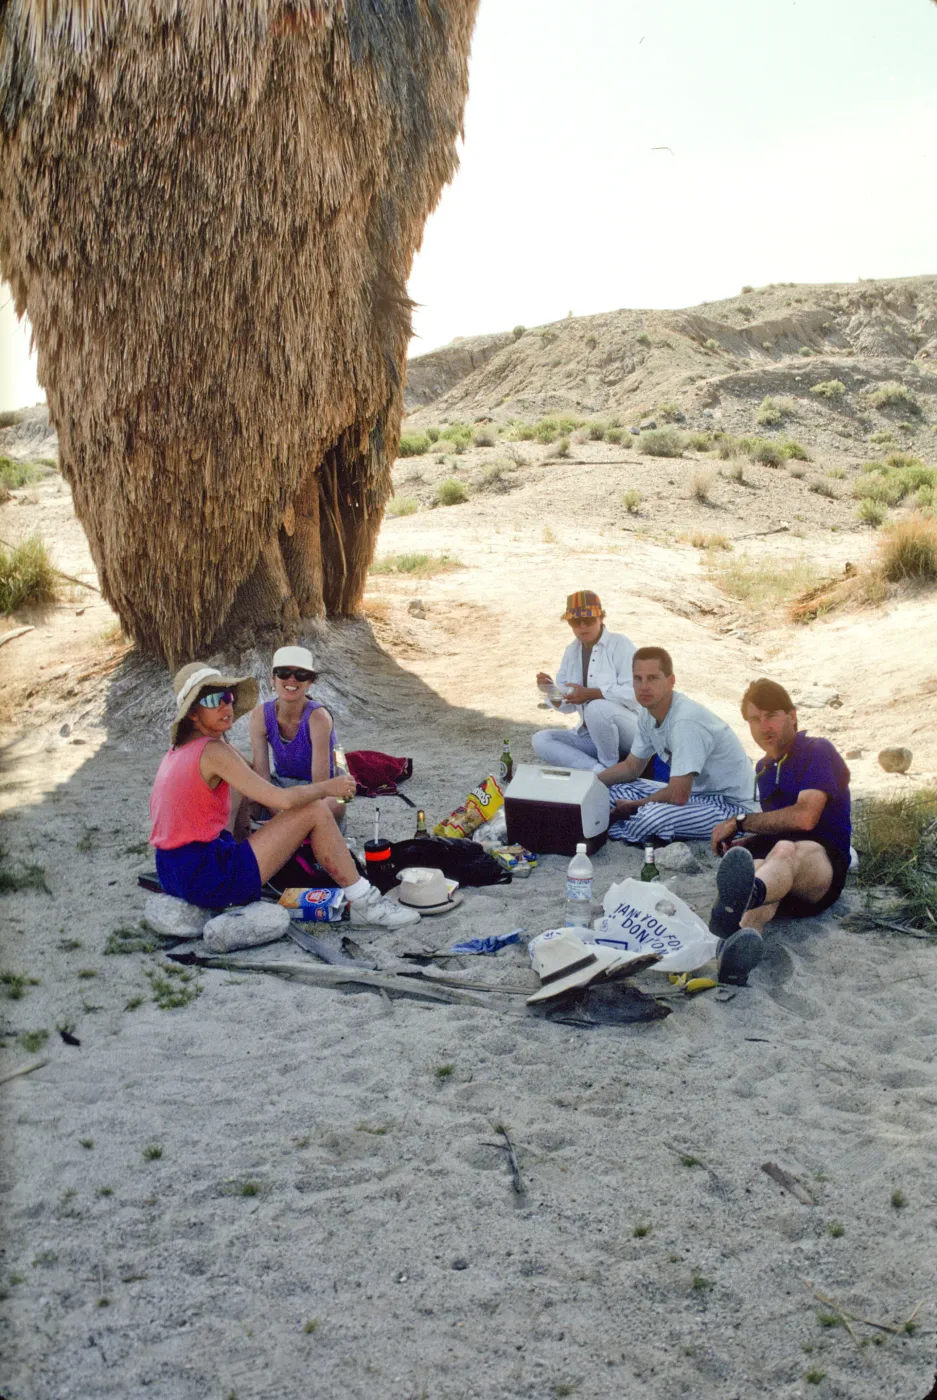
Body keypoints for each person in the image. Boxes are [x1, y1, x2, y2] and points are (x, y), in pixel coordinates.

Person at [149, 663, 419, 928]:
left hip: (172, 871)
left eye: (227, 697)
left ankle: (246, 864)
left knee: (256, 789)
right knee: (313, 810)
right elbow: (283, 800)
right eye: (212, 699)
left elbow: (251, 780)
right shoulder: (213, 752)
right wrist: (328, 788)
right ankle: (366, 902)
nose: (225, 705)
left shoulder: (182, 750)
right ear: (193, 714)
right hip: (207, 874)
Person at [708, 678, 852, 985]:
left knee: (788, 850)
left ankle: (743, 894)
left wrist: (740, 822)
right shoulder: (765, 768)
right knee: (759, 864)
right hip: (778, 881)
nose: (763, 726)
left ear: (793, 715)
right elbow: (778, 826)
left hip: (820, 871)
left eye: (771, 715)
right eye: (754, 719)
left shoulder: (817, 751)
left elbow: (804, 819)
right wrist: (749, 840)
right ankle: (735, 954)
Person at [598, 646, 756, 844]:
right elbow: (631, 767)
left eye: (652, 678)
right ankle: (624, 822)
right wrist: (591, 784)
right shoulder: (648, 712)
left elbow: (677, 795)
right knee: (612, 789)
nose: (644, 686)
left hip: (730, 806)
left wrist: (634, 805)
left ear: (671, 681)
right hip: (695, 795)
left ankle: (613, 828)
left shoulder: (685, 722)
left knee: (654, 816)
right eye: (638, 679)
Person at [532, 590, 640, 772]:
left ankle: (610, 767)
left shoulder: (620, 644)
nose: (582, 626)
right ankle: (599, 772)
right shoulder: (571, 651)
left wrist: (592, 694)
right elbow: (568, 705)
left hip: (632, 734)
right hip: (592, 735)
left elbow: (637, 694)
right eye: (575, 621)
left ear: (601, 617)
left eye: (588, 620)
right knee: (541, 739)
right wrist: (551, 690)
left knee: (596, 707)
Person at [248, 645, 344, 822]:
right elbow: (262, 777)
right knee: (242, 794)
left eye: (301, 675)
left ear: (310, 682)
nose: (292, 680)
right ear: (273, 678)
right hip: (282, 786)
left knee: (336, 803)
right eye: (284, 673)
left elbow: (320, 785)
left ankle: (288, 828)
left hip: (320, 789)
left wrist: (284, 813)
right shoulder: (259, 716)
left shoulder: (319, 719)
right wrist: (277, 805)